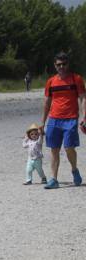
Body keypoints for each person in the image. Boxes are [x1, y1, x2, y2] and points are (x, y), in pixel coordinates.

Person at [41, 52, 86, 189]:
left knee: (69, 148)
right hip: (54, 119)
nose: (61, 67)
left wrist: (84, 116)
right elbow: (47, 102)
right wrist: (43, 122)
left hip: (70, 119)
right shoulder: (51, 82)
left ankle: (74, 169)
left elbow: (83, 98)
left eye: (64, 64)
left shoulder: (76, 79)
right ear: (55, 65)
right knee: (54, 150)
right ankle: (54, 179)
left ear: (68, 64)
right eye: (58, 64)